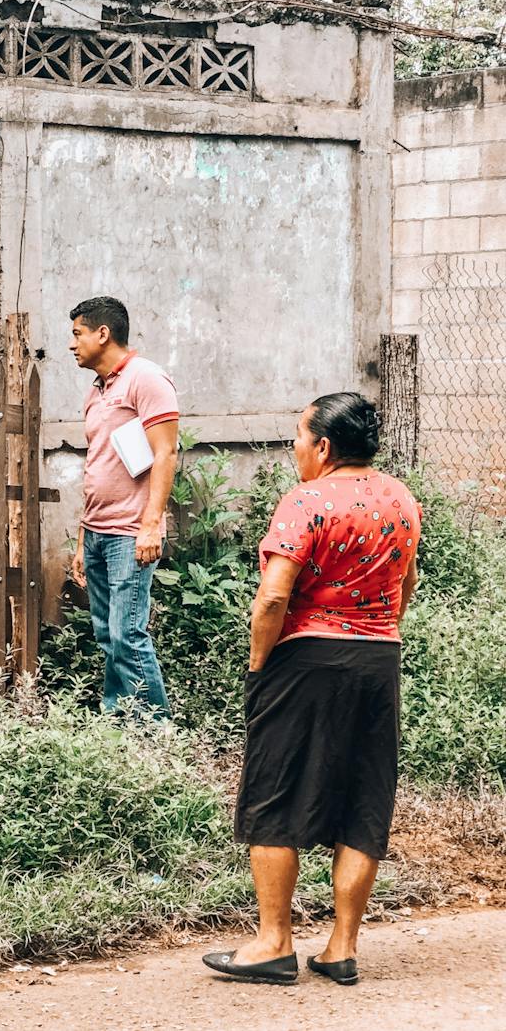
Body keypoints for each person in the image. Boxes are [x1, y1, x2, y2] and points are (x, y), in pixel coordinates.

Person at [203, 392, 421, 986]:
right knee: (363, 796)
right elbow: (404, 586)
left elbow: (274, 596)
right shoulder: (401, 498)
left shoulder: (307, 499)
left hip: (305, 658)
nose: (295, 447)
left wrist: (257, 664)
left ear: (323, 447)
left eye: (299, 437)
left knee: (273, 791)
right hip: (380, 660)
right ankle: (341, 948)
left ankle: (273, 943)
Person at [67, 296, 179, 717]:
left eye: (77, 334)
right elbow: (98, 465)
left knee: (127, 633)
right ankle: (119, 720)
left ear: (102, 333)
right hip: (97, 531)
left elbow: (165, 454)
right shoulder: (97, 391)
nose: (72, 344)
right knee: (106, 634)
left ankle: (153, 734)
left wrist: (151, 525)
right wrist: (82, 538)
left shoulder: (145, 379)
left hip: (129, 532)